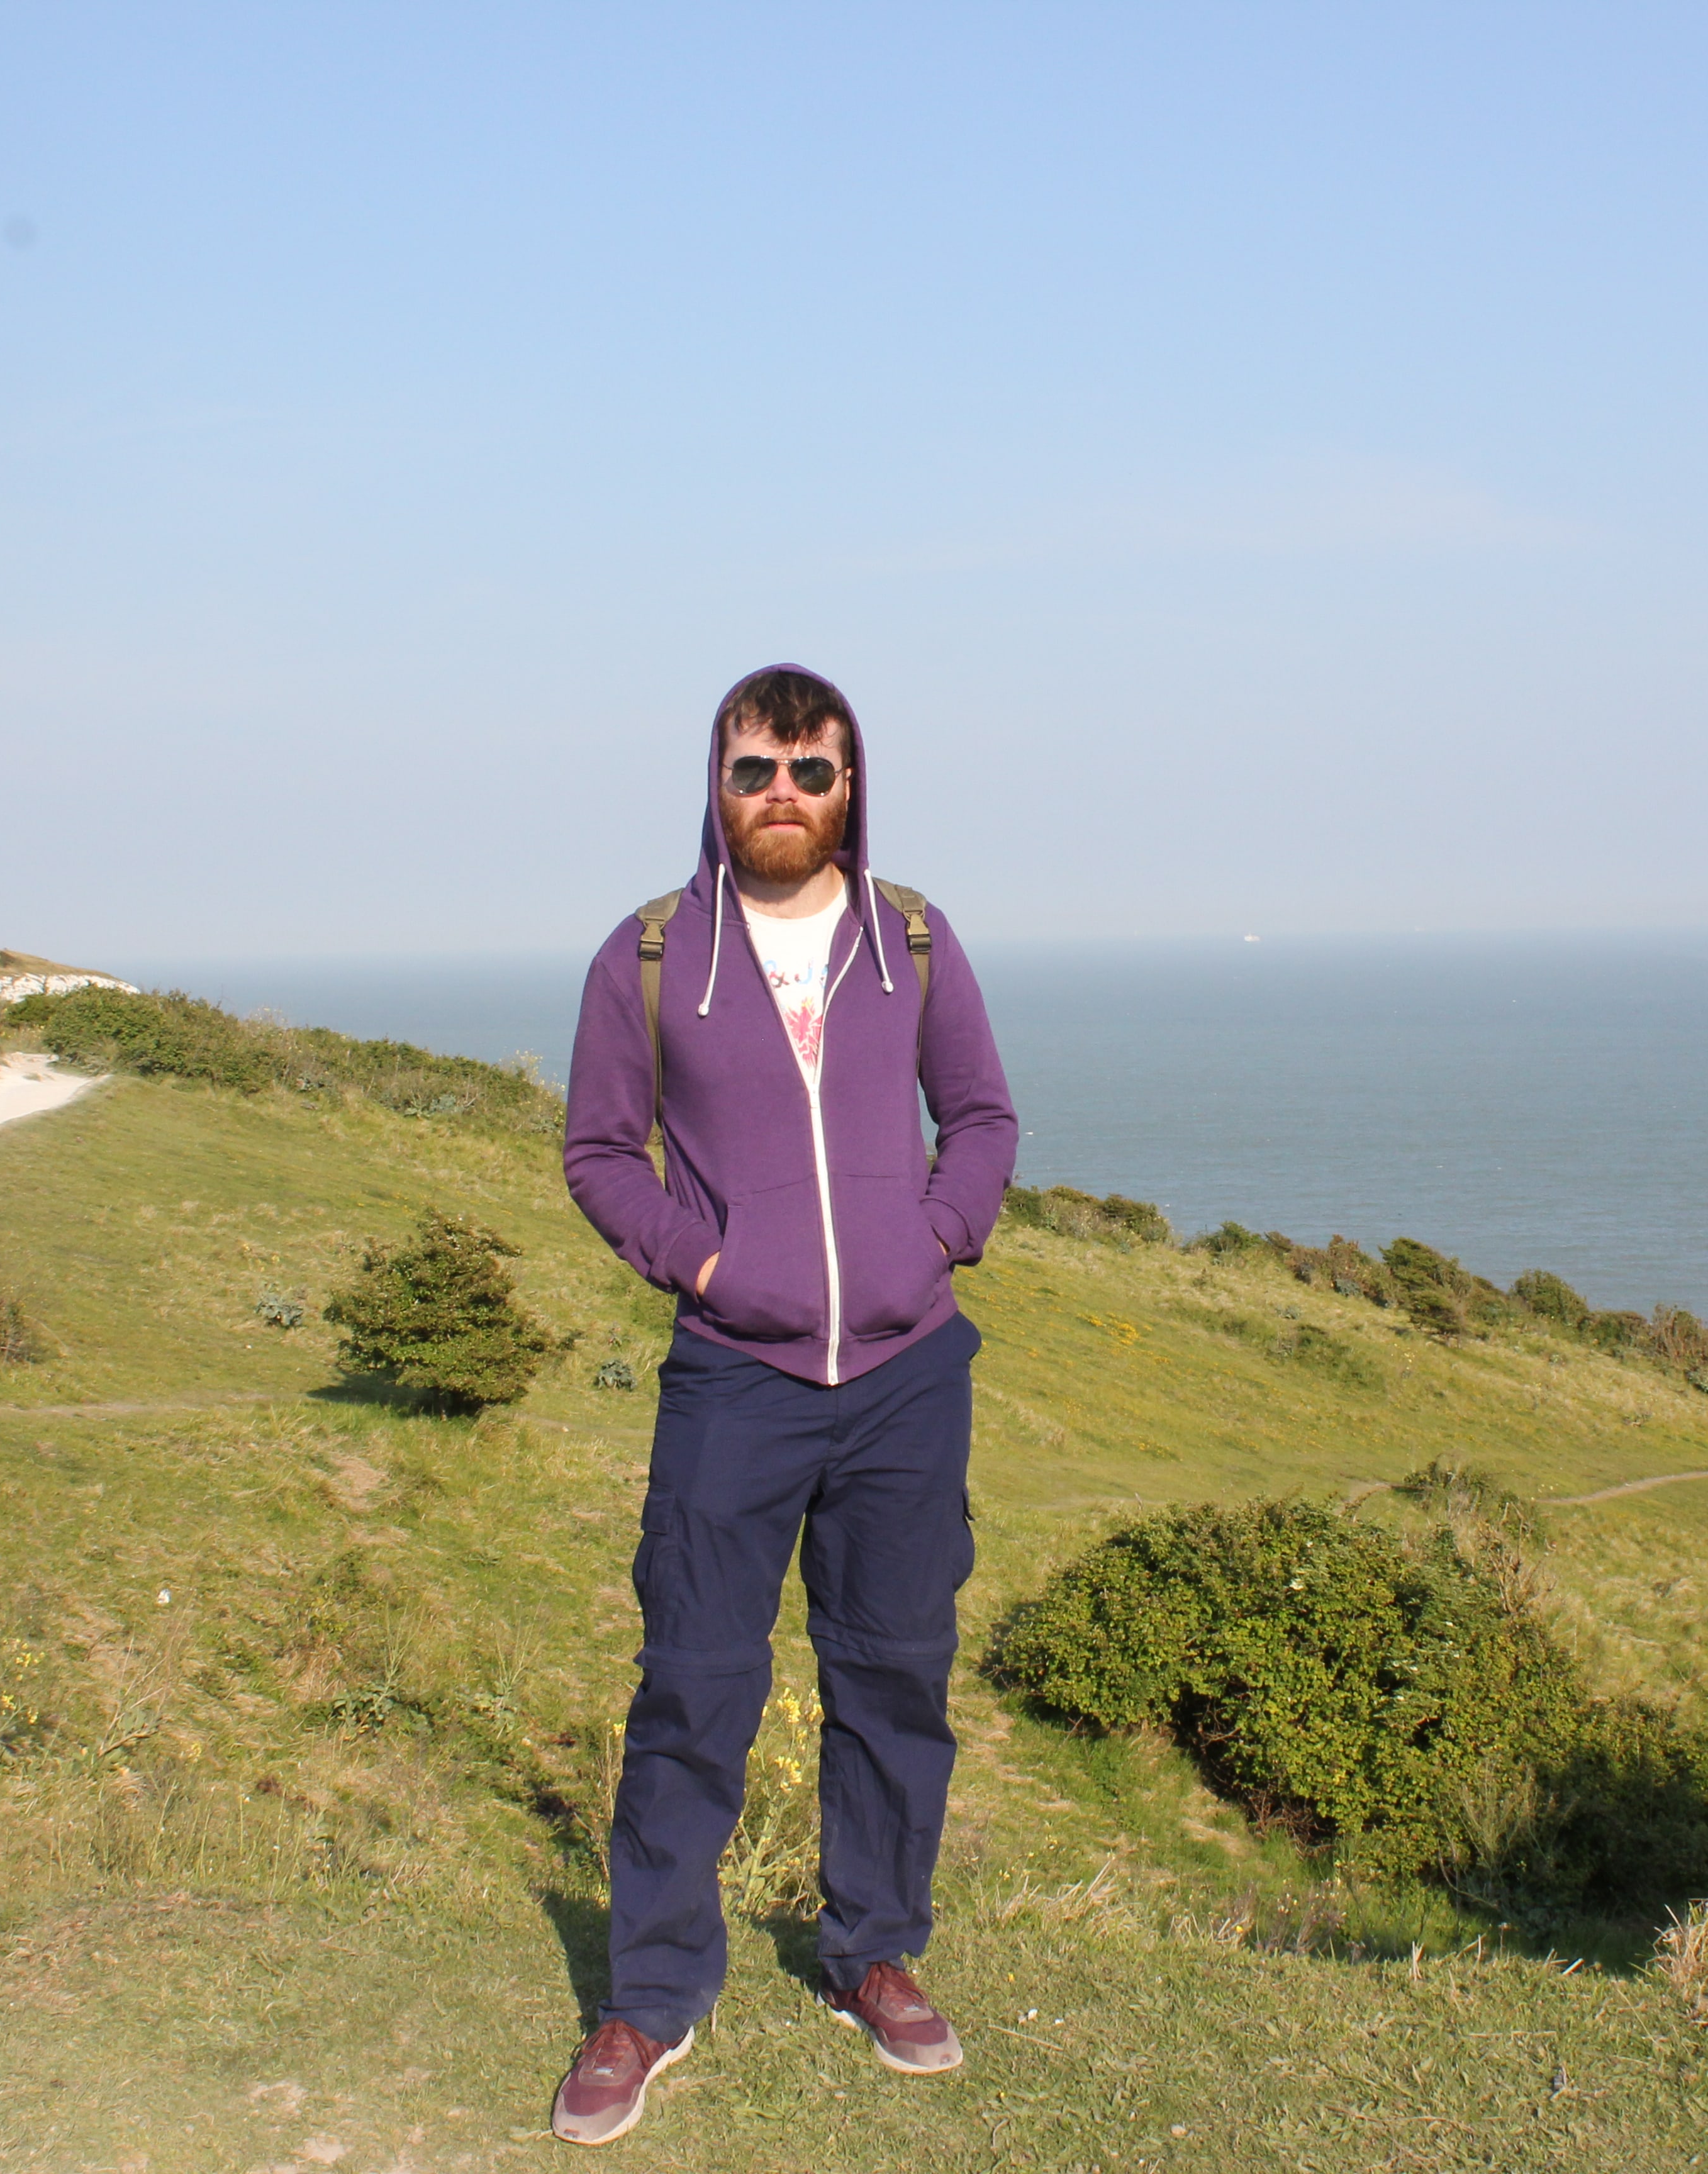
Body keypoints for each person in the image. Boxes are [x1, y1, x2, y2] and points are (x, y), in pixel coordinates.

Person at [549, 664, 1019, 2148]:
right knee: (692, 1683)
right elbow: (599, 1152)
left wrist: (933, 1240)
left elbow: (983, 1117)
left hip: (905, 1377)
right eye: (755, 768)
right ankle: (651, 1996)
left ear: (851, 784)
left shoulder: (914, 939)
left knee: (894, 1677)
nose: (782, 795)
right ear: (717, 783)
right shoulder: (649, 954)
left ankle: (873, 1952)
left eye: (811, 770)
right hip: (733, 1379)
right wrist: (705, 1263)